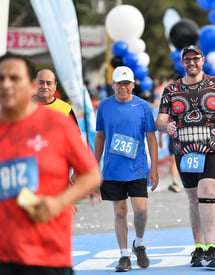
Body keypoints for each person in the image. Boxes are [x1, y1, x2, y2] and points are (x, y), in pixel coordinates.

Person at [0, 53, 101, 274]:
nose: (6, 85)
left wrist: (61, 201)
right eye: (1, 78)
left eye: (14, 78)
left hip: (49, 252)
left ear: (29, 85)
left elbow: (92, 174)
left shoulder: (58, 123)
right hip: (6, 252)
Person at [155, 45, 215, 269]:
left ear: (203, 60)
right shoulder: (172, 90)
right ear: (182, 62)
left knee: (206, 191)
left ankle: (211, 248)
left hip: (213, 148)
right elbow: (159, 120)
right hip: (185, 151)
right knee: (192, 198)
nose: (191, 63)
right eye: (187, 59)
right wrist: (165, 125)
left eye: (195, 59)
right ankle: (198, 247)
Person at [94, 66, 159, 272]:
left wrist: (154, 168)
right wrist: (94, 166)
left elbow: (151, 137)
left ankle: (138, 244)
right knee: (120, 212)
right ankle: (124, 256)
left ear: (132, 85)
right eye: (119, 83)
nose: (123, 87)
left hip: (137, 168)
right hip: (113, 170)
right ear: (113, 85)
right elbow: (100, 136)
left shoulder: (143, 107)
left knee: (140, 211)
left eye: (126, 83)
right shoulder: (104, 106)